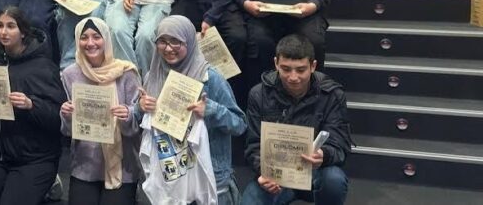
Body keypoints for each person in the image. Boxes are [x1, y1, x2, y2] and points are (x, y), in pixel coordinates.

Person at [135, 16, 246, 205]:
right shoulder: (151, 75)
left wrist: (211, 110)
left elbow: (239, 125)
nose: (168, 48)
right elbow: (137, 121)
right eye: (162, 41)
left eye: (176, 41)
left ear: (189, 41)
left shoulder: (210, 78)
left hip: (206, 175)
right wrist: (140, 108)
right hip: (167, 176)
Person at [0, 7, 67, 205]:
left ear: (23, 32)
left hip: (35, 157)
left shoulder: (43, 67)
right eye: (0, 26)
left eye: (11, 26)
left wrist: (31, 105)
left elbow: (58, 119)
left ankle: (50, 181)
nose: (3, 32)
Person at [243, 34, 351, 205]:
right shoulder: (259, 94)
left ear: (313, 66)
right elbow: (253, 145)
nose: (293, 77)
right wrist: (262, 171)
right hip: (276, 174)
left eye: (301, 70)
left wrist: (324, 155)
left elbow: (340, 143)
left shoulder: (332, 95)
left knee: (334, 180)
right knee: (249, 201)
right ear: (276, 64)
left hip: (315, 171)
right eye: (286, 69)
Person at [58, 17, 142, 205]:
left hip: (122, 166)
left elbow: (138, 126)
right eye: (84, 37)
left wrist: (127, 114)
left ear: (106, 39)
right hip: (85, 163)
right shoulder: (70, 74)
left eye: (96, 37)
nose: (90, 43)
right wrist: (66, 115)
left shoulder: (127, 73)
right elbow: (67, 131)